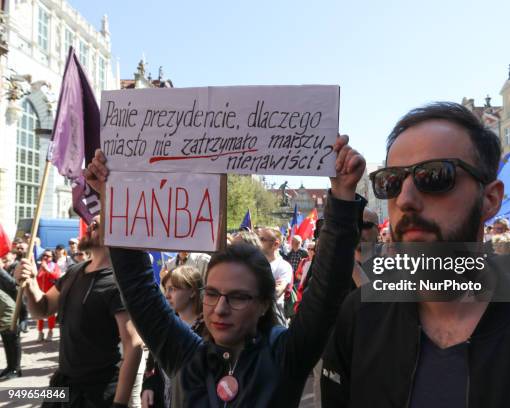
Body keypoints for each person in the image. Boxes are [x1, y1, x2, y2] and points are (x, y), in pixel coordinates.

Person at [321, 102, 510, 408]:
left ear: (490, 199)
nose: (405, 199)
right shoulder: (359, 317)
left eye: (434, 176)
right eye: (391, 182)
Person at [85, 135, 366, 407]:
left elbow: (327, 290)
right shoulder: (184, 355)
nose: (220, 309)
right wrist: (114, 200)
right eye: (212, 293)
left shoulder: (287, 356)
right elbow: (138, 287)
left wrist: (342, 196)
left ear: (264, 304)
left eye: (238, 297)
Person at [14, 216, 143, 407]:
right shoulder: (74, 271)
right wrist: (30, 283)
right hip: (62, 384)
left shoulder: (118, 282)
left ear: (113, 235)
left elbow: (133, 346)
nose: (88, 227)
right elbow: (43, 309)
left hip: (97, 392)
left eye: (96, 225)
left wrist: (120, 404)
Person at [142, 266, 205, 408]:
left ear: (192, 292)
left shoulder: (208, 330)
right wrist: (148, 386)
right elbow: (153, 366)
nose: (167, 295)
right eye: (166, 289)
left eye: (173, 289)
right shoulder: (164, 327)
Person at [258, 228, 294, 315]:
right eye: (258, 238)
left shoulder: (284, 266)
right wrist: (269, 285)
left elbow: (277, 291)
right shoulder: (254, 262)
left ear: (276, 244)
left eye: (262, 239)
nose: (258, 242)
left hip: (272, 318)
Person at [36, 250, 61, 341]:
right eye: (44, 255)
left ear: (52, 257)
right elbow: (37, 279)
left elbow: (57, 277)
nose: (45, 257)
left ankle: (50, 331)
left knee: (51, 314)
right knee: (39, 313)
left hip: (51, 293)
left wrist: (47, 270)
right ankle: (40, 332)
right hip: (40, 293)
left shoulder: (55, 266)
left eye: (48, 256)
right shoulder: (40, 266)